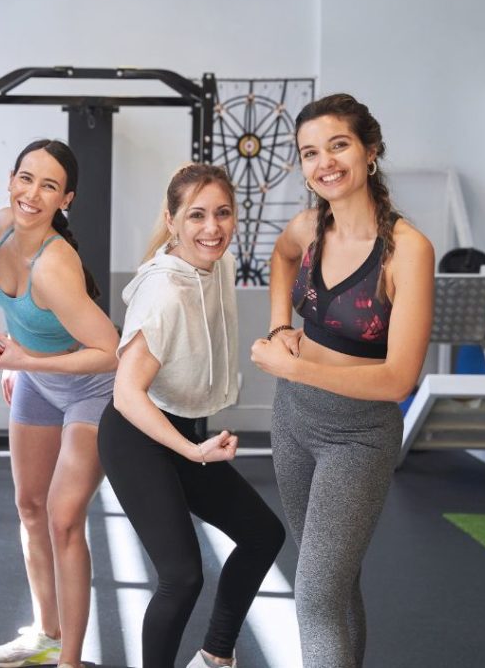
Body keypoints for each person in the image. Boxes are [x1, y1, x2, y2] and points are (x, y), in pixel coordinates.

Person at [251, 93, 434, 668]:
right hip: (294, 419)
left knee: (314, 593)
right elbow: (280, 259)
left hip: (358, 436)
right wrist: (282, 324)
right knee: (331, 582)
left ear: (370, 150)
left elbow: (399, 379)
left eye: (338, 145)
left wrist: (292, 365)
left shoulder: (408, 250)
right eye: (310, 153)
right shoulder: (308, 227)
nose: (324, 162)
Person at [98, 162, 285, 668]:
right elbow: (125, 394)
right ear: (173, 220)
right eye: (197, 215)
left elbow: (289, 250)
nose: (213, 228)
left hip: (180, 428)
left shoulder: (213, 262)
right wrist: (191, 451)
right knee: (181, 575)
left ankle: (214, 657)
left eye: (223, 213)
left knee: (263, 534)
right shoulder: (165, 294)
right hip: (136, 434)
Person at [0, 139, 119, 668]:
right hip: (39, 380)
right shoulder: (1, 227)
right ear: (11, 179)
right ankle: (47, 633)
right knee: (29, 506)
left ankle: (72, 661)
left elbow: (109, 353)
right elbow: (19, 313)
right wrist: (20, 357)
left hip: (90, 389)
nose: (31, 194)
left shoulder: (55, 267)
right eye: (25, 177)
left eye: (48, 186)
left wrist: (26, 362)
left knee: (64, 520)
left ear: (66, 199)